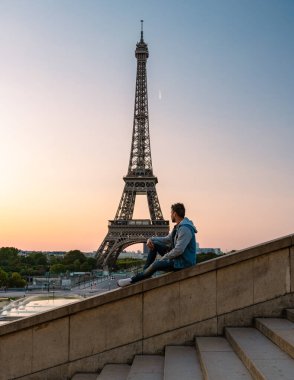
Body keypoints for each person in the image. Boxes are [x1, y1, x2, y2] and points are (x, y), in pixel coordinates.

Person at [117, 203, 197, 287]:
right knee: (154, 244)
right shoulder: (178, 227)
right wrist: (150, 239)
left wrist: (164, 258)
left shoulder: (185, 229)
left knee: (156, 264)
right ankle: (145, 273)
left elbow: (178, 250)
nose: (170, 215)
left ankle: (133, 280)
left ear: (174, 213)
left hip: (183, 263)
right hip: (178, 259)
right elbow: (167, 239)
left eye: (171, 213)